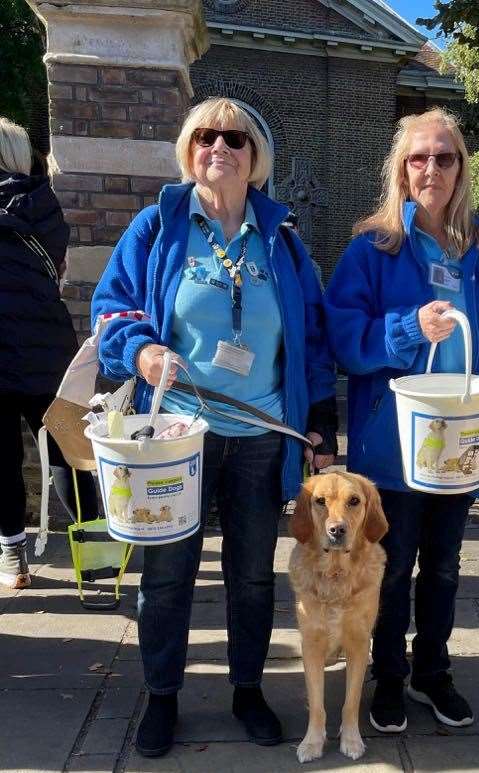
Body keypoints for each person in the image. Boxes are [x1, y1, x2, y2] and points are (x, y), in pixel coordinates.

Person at [91, 98, 338, 756]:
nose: (218, 147)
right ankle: (163, 696)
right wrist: (142, 350)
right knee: (167, 572)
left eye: (234, 137)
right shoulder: (159, 227)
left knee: (253, 573)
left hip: (260, 439)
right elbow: (111, 306)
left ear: (256, 158)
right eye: (205, 136)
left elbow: (311, 341)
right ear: (188, 149)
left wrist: (320, 425)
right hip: (177, 439)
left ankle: (248, 689)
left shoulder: (281, 241)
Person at [324, 108, 479, 733]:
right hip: (392, 448)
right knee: (389, 570)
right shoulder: (373, 249)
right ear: (401, 168)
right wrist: (410, 329)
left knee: (443, 568)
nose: (431, 168)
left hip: (462, 446)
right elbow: (343, 339)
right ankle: (388, 676)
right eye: (419, 157)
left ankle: (432, 672)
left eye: (444, 157)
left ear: (461, 168)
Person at [0, 117, 99, 590]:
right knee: (68, 447)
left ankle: (12, 559)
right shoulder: (44, 204)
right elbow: (57, 268)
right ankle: (94, 549)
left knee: (2, 458)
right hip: (46, 346)